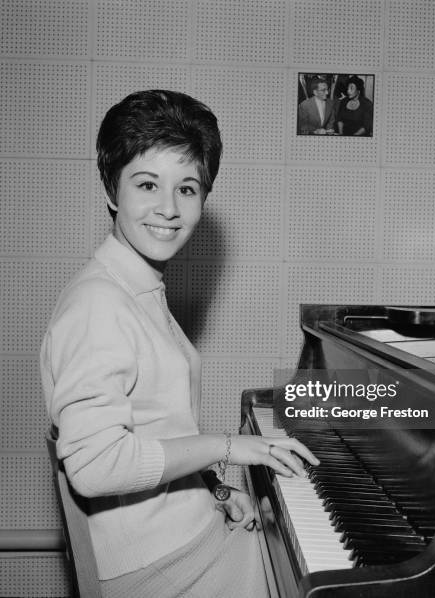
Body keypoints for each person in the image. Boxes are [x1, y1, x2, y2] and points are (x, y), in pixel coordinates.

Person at [40, 89, 319, 598]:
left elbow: (151, 426)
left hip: (172, 535)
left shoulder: (133, 287)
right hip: (158, 565)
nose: (168, 209)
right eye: (148, 184)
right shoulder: (98, 305)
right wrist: (232, 448)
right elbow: (97, 466)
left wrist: (213, 488)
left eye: (187, 189)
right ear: (111, 189)